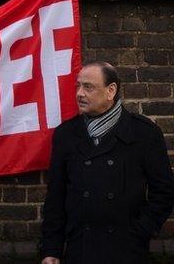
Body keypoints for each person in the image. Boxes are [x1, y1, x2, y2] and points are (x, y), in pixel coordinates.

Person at [40, 61, 174, 264]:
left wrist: (139, 233)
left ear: (111, 90)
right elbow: (56, 198)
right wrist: (51, 249)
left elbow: (164, 192)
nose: (79, 93)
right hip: (79, 249)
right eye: (78, 86)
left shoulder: (144, 133)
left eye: (88, 87)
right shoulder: (66, 134)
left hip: (126, 251)